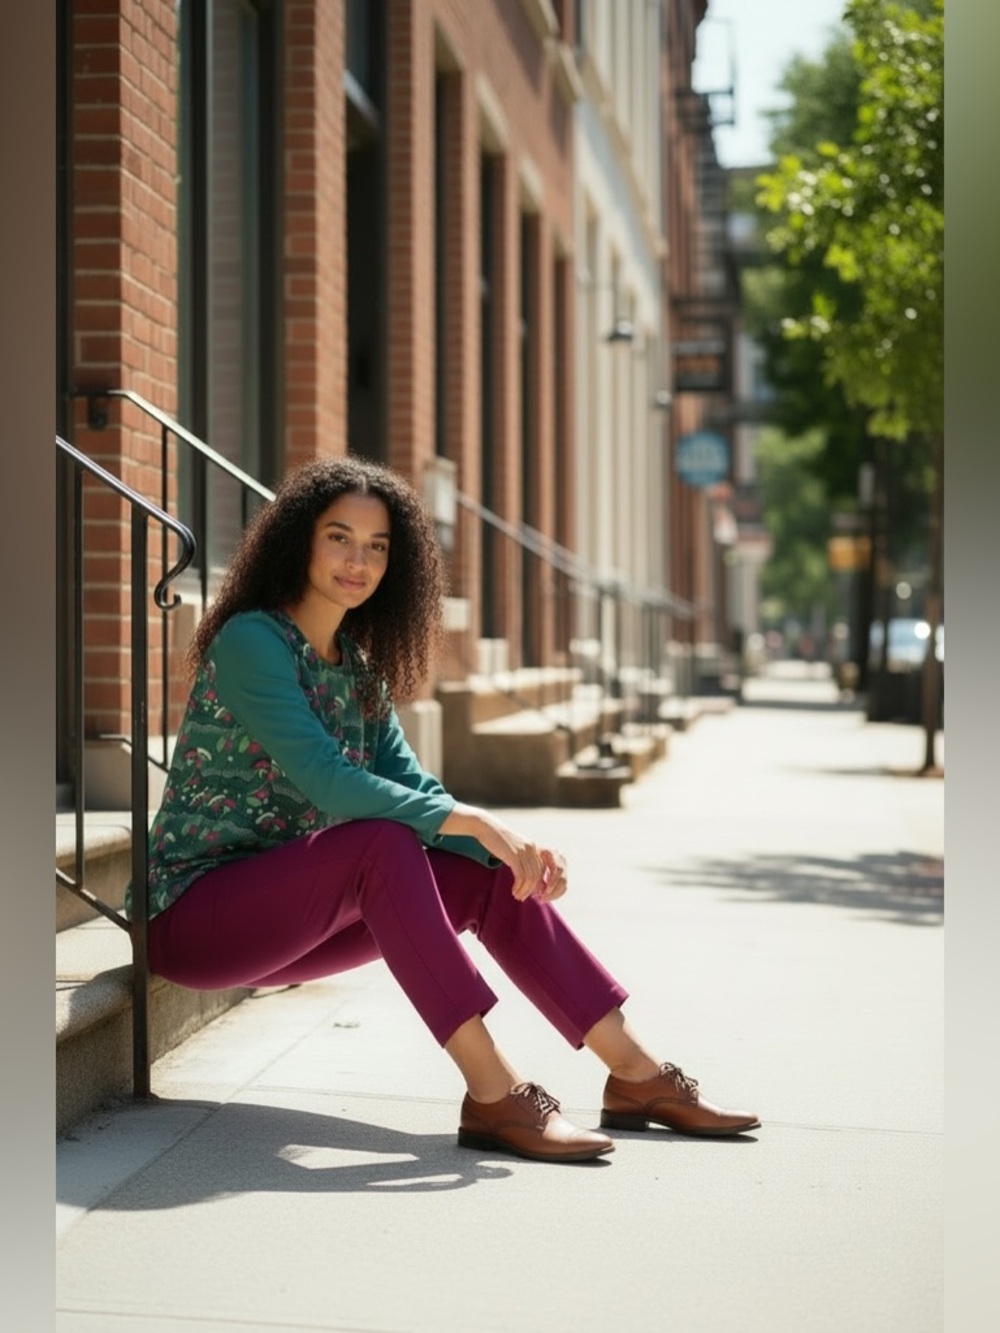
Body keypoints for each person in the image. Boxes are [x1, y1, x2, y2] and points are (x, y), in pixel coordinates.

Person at [139, 455, 759, 1164]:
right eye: (339, 536)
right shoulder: (253, 640)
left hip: (292, 922)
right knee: (384, 844)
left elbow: (416, 790)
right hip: (193, 917)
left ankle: (636, 1073)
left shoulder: (358, 668)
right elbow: (331, 783)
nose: (358, 560)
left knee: (483, 871)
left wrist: (508, 847)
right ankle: (494, 1090)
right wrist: (477, 822)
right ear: (299, 541)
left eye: (377, 546)